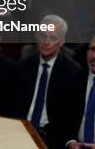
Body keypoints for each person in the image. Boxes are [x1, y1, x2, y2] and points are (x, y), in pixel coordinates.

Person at [18, 15, 82, 148]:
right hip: (20, 130)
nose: (46, 42)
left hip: (52, 137)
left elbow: (69, 116)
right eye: (43, 36)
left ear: (62, 41)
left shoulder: (73, 72)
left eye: (52, 38)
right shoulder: (23, 66)